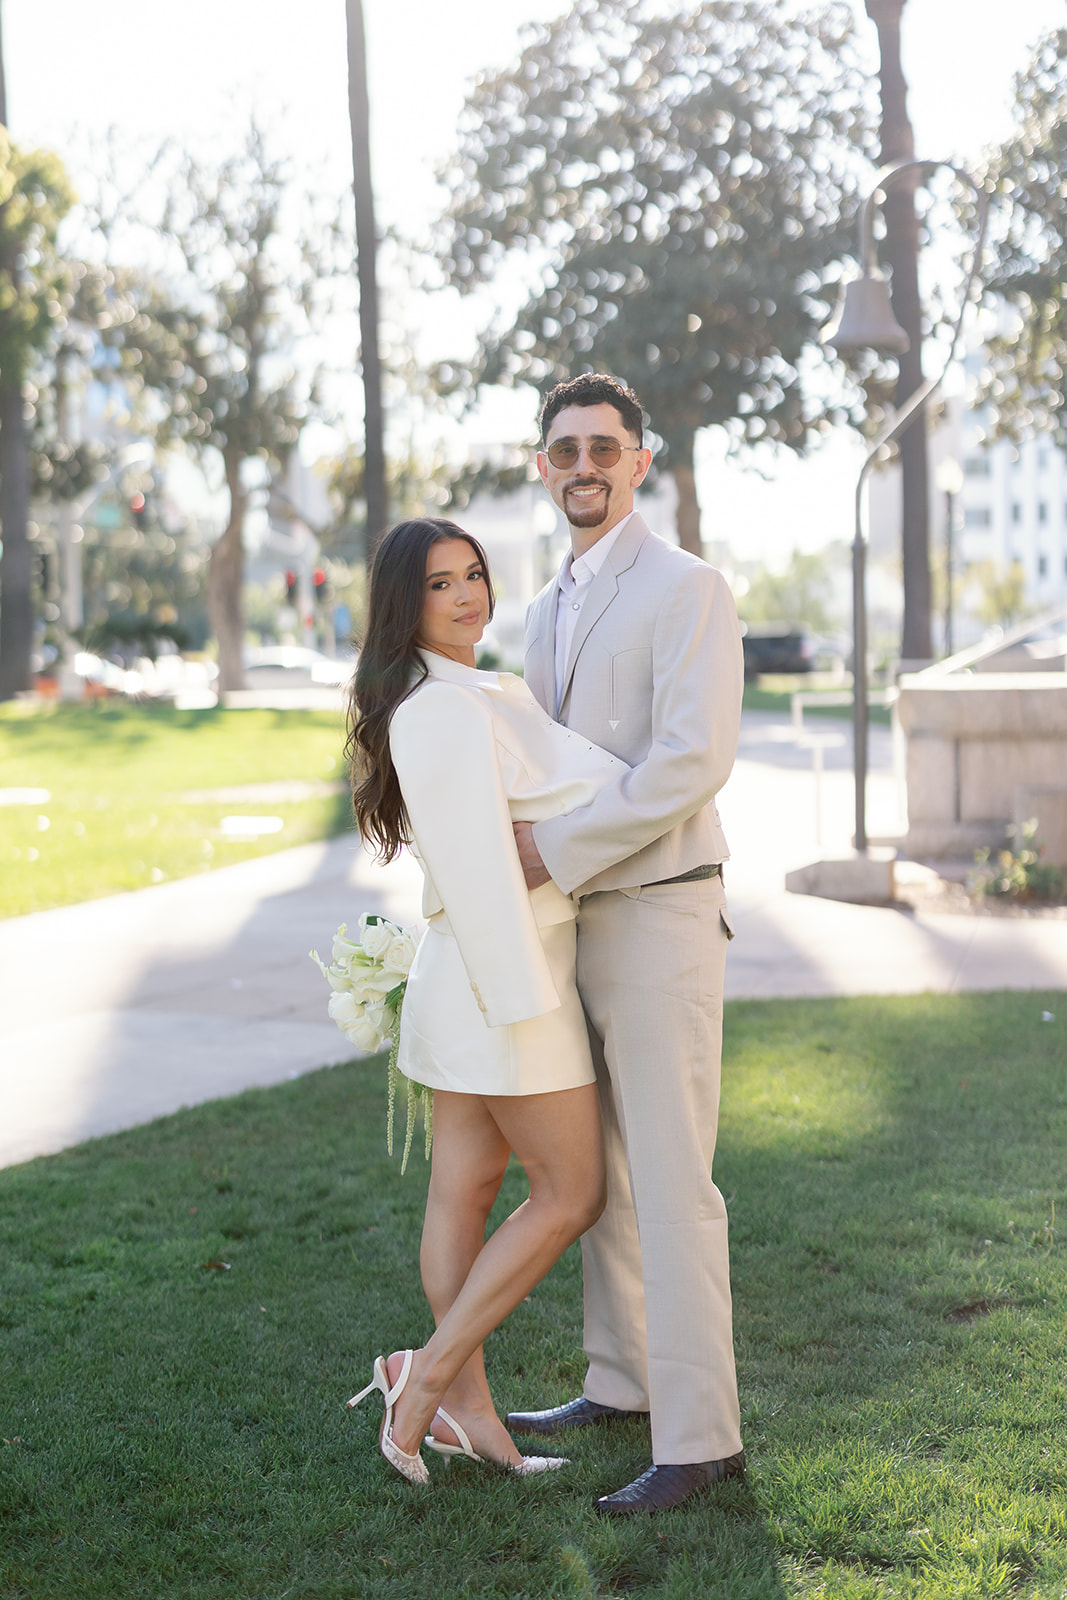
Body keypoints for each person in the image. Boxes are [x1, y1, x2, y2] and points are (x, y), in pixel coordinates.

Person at [505, 373, 746, 1516]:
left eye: (604, 446)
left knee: (670, 1178)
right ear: (542, 464)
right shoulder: (543, 604)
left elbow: (691, 760)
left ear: (639, 461)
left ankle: (700, 1438)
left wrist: (552, 847)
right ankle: (620, 1382)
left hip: (656, 911)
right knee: (597, 1172)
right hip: (572, 929)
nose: (583, 464)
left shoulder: (687, 587)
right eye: (564, 449)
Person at [344, 516, 628, 1485]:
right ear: (403, 604)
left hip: (478, 981)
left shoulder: (466, 692)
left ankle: (467, 1412)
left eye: (473, 574)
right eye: (439, 584)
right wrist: (527, 1015)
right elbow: (479, 870)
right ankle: (422, 1386)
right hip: (503, 988)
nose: (466, 595)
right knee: (569, 1190)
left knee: (463, 1190)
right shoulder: (441, 710)